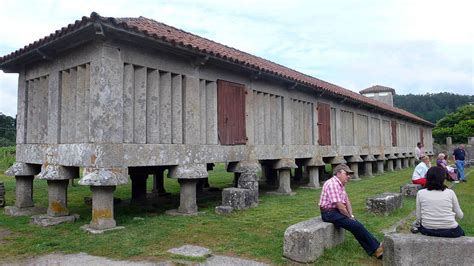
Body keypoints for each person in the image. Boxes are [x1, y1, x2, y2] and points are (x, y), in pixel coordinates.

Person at [319, 164, 383, 259]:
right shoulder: (332, 184)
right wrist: (349, 217)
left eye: (349, 174)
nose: (349, 176)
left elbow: (347, 202)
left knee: (356, 225)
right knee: (356, 225)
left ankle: (375, 249)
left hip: (334, 211)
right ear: (338, 173)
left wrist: (351, 216)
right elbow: (340, 206)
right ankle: (376, 248)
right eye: (347, 173)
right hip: (328, 213)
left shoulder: (340, 184)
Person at [415, 166, 465, 237]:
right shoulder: (450, 193)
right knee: (462, 233)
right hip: (450, 230)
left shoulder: (420, 193)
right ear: (443, 179)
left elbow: (418, 217)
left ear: (427, 178)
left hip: (428, 229)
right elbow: (460, 215)